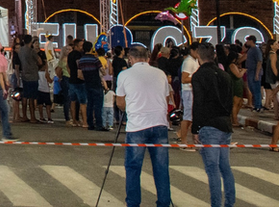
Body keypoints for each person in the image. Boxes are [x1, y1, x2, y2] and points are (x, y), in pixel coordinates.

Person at [115, 44, 172, 207]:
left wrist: (131, 107)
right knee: (161, 168)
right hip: (160, 124)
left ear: (131, 59)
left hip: (137, 126)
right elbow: (166, 98)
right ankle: (164, 202)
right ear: (147, 58)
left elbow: (120, 102)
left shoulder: (124, 74)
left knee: (133, 167)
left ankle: (133, 203)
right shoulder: (160, 73)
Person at [191, 43, 235, 207]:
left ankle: (216, 204)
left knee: (212, 169)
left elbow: (198, 103)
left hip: (209, 125)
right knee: (225, 167)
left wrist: (195, 128)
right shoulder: (225, 75)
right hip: (225, 124)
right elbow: (230, 102)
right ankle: (229, 202)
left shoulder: (199, 75)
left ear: (198, 56)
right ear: (214, 56)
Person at [77, 40, 106, 131]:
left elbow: (79, 75)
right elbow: (103, 71)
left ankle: (90, 124)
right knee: (98, 105)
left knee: (90, 104)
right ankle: (99, 124)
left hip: (87, 84)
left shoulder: (81, 60)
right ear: (91, 48)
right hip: (96, 83)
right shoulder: (95, 59)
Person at [176, 44, 199, 144]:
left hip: (193, 90)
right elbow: (184, 79)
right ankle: (183, 140)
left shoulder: (195, 61)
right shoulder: (188, 62)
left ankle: (182, 134)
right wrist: (197, 78)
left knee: (192, 116)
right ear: (192, 51)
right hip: (188, 91)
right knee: (188, 116)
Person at [18, 35, 41, 124]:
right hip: (33, 75)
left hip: (24, 74)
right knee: (32, 97)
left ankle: (24, 115)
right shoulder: (31, 51)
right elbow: (39, 61)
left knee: (25, 96)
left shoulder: (20, 50)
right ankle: (32, 117)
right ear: (31, 41)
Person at [244, 36, 263, 112]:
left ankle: (258, 106)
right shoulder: (250, 50)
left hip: (254, 72)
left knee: (256, 89)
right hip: (250, 71)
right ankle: (256, 104)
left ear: (251, 41)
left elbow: (259, 62)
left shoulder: (256, 50)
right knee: (252, 88)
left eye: (248, 40)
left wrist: (257, 74)